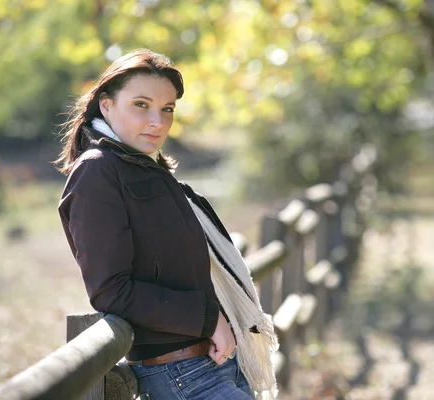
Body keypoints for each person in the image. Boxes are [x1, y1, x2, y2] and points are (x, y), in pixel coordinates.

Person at [56, 49, 278, 400]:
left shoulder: (153, 171)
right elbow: (111, 290)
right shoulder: (98, 171)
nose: (157, 122)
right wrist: (208, 320)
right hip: (179, 373)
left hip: (216, 362)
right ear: (106, 105)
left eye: (167, 109)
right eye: (141, 105)